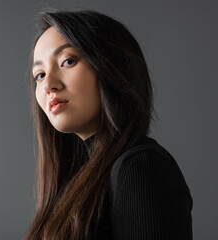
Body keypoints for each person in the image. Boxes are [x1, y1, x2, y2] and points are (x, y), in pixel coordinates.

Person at [24, 10, 193, 240]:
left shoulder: (140, 167)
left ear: (111, 67)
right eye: (40, 74)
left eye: (68, 61)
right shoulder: (74, 181)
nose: (48, 85)